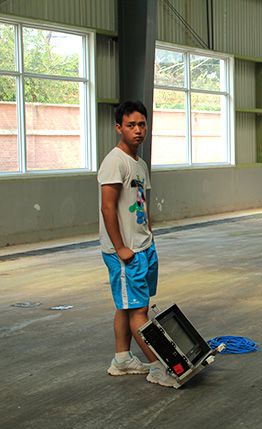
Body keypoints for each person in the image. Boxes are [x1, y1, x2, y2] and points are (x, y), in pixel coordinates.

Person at [98, 100, 176, 387]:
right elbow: (108, 207)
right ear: (119, 127)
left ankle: (122, 359)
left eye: (142, 124)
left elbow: (142, 204)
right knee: (139, 311)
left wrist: (150, 237)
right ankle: (158, 367)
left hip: (143, 247)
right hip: (126, 252)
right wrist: (121, 248)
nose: (138, 130)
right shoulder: (115, 162)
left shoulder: (139, 164)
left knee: (128, 305)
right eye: (131, 125)